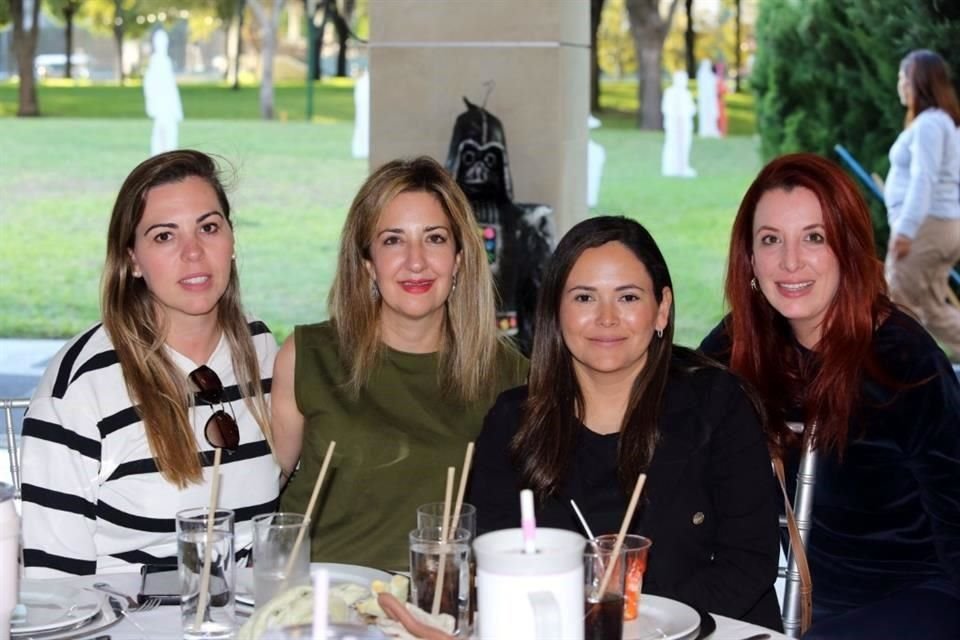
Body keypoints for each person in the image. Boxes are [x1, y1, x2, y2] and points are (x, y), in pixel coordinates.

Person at [470, 215, 782, 628]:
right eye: (584, 298)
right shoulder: (513, 423)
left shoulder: (717, 406)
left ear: (662, 309)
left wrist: (634, 625)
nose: (606, 318)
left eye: (628, 297)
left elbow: (748, 563)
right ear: (554, 312)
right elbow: (493, 563)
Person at [701, 152, 960, 638]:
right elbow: (672, 422)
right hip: (795, 603)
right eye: (771, 240)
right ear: (750, 258)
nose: (791, 261)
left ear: (848, 249)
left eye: (814, 238)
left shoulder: (904, 361)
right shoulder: (740, 346)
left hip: (917, 598)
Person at [20, 150, 280, 578]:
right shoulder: (81, 386)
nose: (193, 253)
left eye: (209, 228)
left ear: (232, 240)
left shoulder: (261, 350)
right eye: (164, 236)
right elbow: (55, 590)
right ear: (132, 260)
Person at [272, 156, 528, 571]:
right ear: (367, 261)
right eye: (393, 240)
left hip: (437, 610)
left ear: (460, 257)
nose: (415, 261)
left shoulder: (510, 376)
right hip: (320, 604)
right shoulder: (309, 356)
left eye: (435, 239)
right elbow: (261, 495)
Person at [883, 49, 960, 363]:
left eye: (904, 78)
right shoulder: (946, 122)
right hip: (942, 226)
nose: (900, 84)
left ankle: (904, 378)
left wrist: (906, 230)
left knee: (900, 306)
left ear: (918, 82)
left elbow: (924, 179)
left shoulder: (930, 124)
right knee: (930, 310)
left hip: (925, 227)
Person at [143, 29, 183, 156]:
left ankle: (168, 155)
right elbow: (150, 84)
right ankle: (161, 156)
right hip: (161, 104)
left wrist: (176, 107)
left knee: (169, 133)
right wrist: (152, 102)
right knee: (162, 132)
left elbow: (171, 86)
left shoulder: (165, 60)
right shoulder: (156, 61)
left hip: (168, 104)